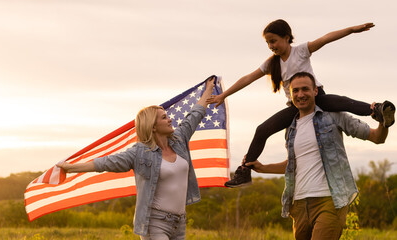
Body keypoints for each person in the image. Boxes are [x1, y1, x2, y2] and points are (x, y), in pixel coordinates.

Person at [208, 19, 395, 187]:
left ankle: (376, 110)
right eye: (267, 43)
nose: (271, 46)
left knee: (342, 102)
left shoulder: (301, 51)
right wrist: (224, 95)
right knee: (262, 130)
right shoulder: (272, 63)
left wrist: (352, 30)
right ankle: (244, 171)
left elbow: (326, 38)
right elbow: (248, 78)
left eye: (273, 41)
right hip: (295, 106)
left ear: (287, 37)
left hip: (317, 97)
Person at [57, 77, 215, 240]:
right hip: (155, 223)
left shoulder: (179, 140)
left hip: (179, 223)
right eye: (164, 118)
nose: (170, 119)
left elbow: (195, 115)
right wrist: (70, 168)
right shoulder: (140, 153)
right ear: (153, 126)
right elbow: (105, 163)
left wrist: (209, 89)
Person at [246, 72, 388, 240]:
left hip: (329, 201)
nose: (300, 94)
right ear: (290, 95)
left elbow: (377, 138)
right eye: (296, 91)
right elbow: (293, 164)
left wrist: (384, 122)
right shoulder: (290, 127)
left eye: (305, 89)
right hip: (298, 204)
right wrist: (263, 168)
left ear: (315, 91)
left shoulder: (334, 116)